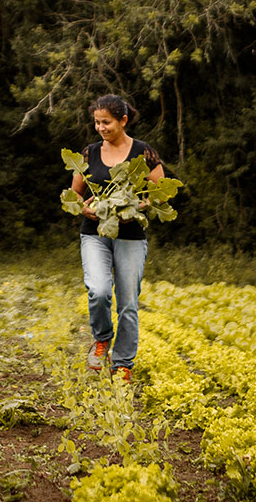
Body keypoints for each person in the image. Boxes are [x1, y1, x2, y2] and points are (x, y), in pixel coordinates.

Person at [69, 94, 164, 383]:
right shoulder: (89, 153)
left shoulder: (143, 153)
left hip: (130, 235)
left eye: (106, 122)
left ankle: (123, 363)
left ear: (123, 120)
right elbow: (74, 194)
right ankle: (101, 340)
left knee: (128, 303)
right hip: (95, 233)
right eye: (97, 122)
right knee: (98, 291)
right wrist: (83, 207)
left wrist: (134, 208)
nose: (100, 127)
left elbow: (159, 193)